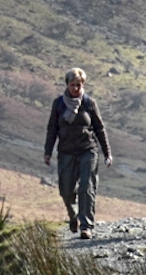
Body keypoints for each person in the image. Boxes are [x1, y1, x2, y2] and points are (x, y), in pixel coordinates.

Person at [43, 67, 112, 239]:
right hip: (66, 152)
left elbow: (99, 128)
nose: (75, 88)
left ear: (83, 85)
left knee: (86, 187)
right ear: (67, 85)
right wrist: (48, 151)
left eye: (79, 85)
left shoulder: (89, 103)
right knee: (66, 190)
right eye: (72, 85)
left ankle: (86, 226)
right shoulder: (58, 104)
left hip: (88, 150)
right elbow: (52, 129)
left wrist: (107, 153)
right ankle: (73, 215)